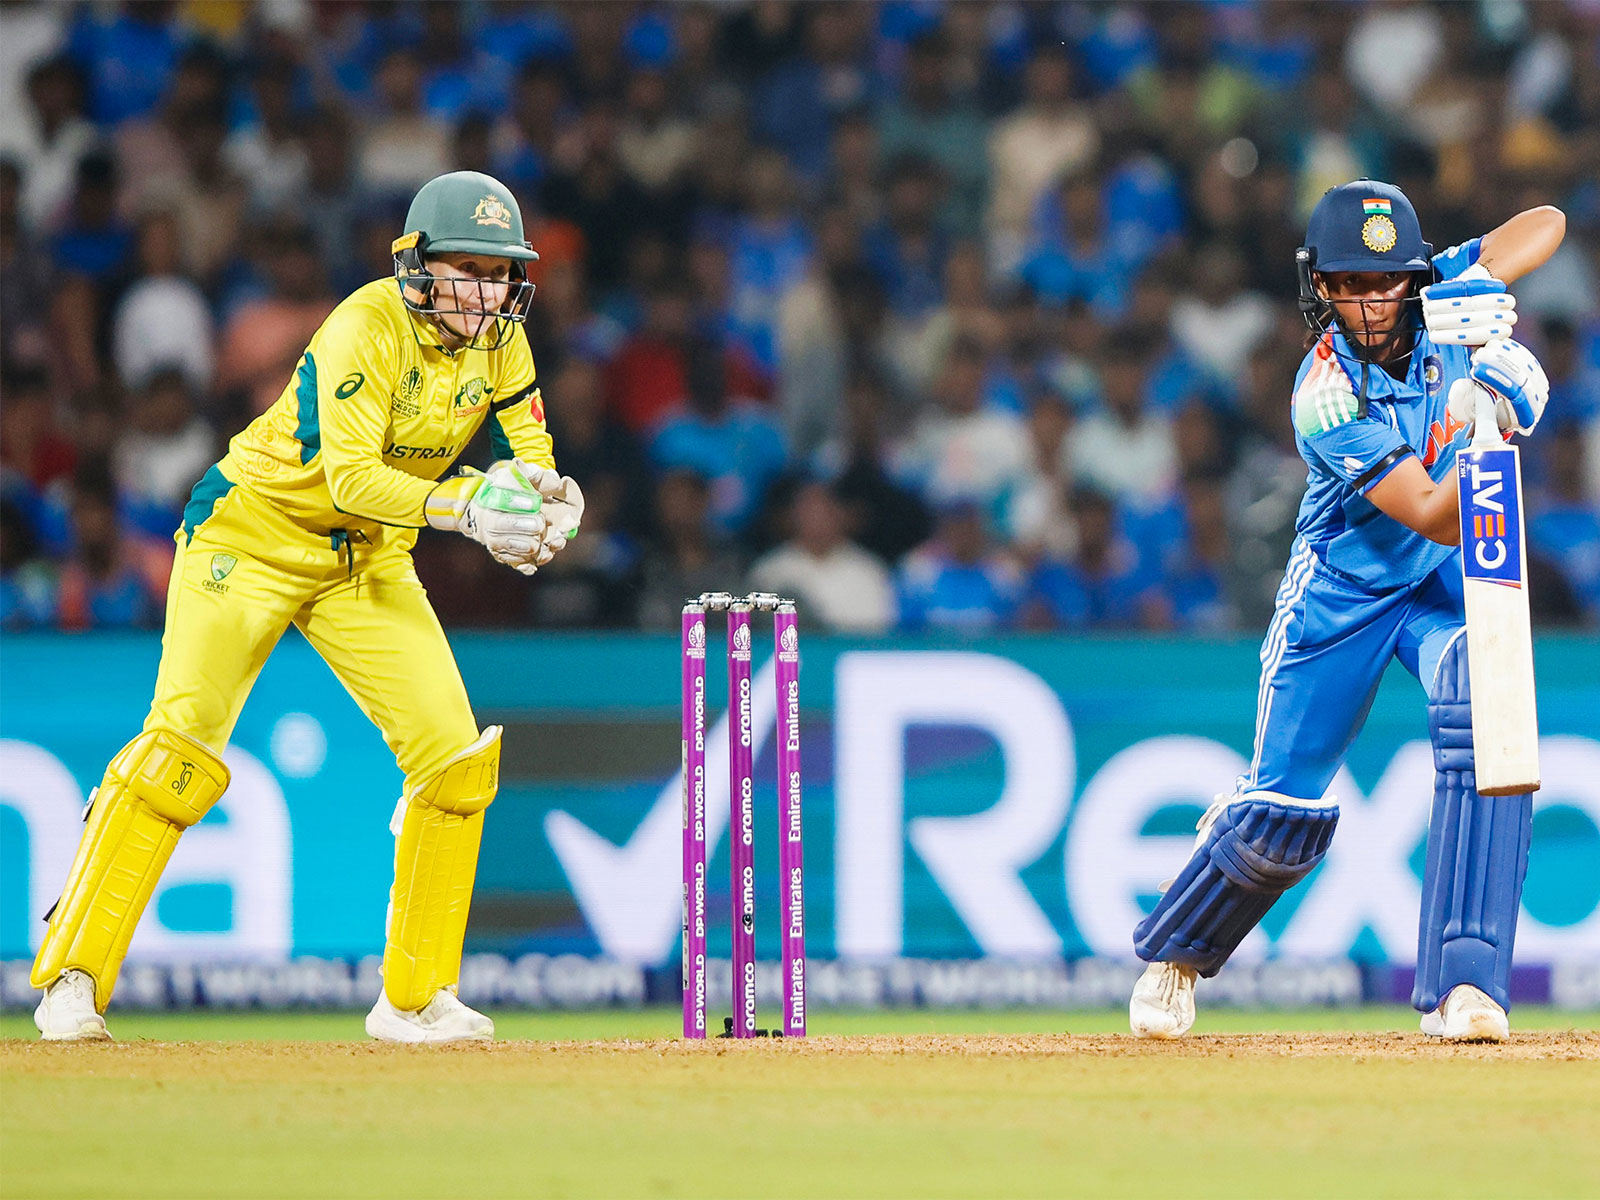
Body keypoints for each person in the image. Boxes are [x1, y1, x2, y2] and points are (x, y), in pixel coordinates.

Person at [30, 170, 585, 1044]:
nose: (485, 291)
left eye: (500, 270)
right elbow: (351, 478)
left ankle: (413, 999)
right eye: (467, 269)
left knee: (453, 761)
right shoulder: (365, 324)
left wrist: (551, 498)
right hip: (247, 538)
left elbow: (529, 454)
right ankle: (71, 977)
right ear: (419, 266)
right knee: (179, 749)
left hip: (366, 560)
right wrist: (467, 508)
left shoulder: (502, 347)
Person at [1128, 179, 1562, 1042]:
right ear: (1318, 285)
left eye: (1386, 281)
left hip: (1436, 586)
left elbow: (1542, 224)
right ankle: (1174, 957)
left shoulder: (1436, 289)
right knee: (1281, 823)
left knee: (1491, 706)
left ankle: (1466, 988)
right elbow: (1435, 509)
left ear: (1412, 273)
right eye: (1348, 284)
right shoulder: (1322, 393)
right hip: (1342, 597)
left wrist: (1473, 288)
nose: (1369, 301)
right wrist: (1498, 414)